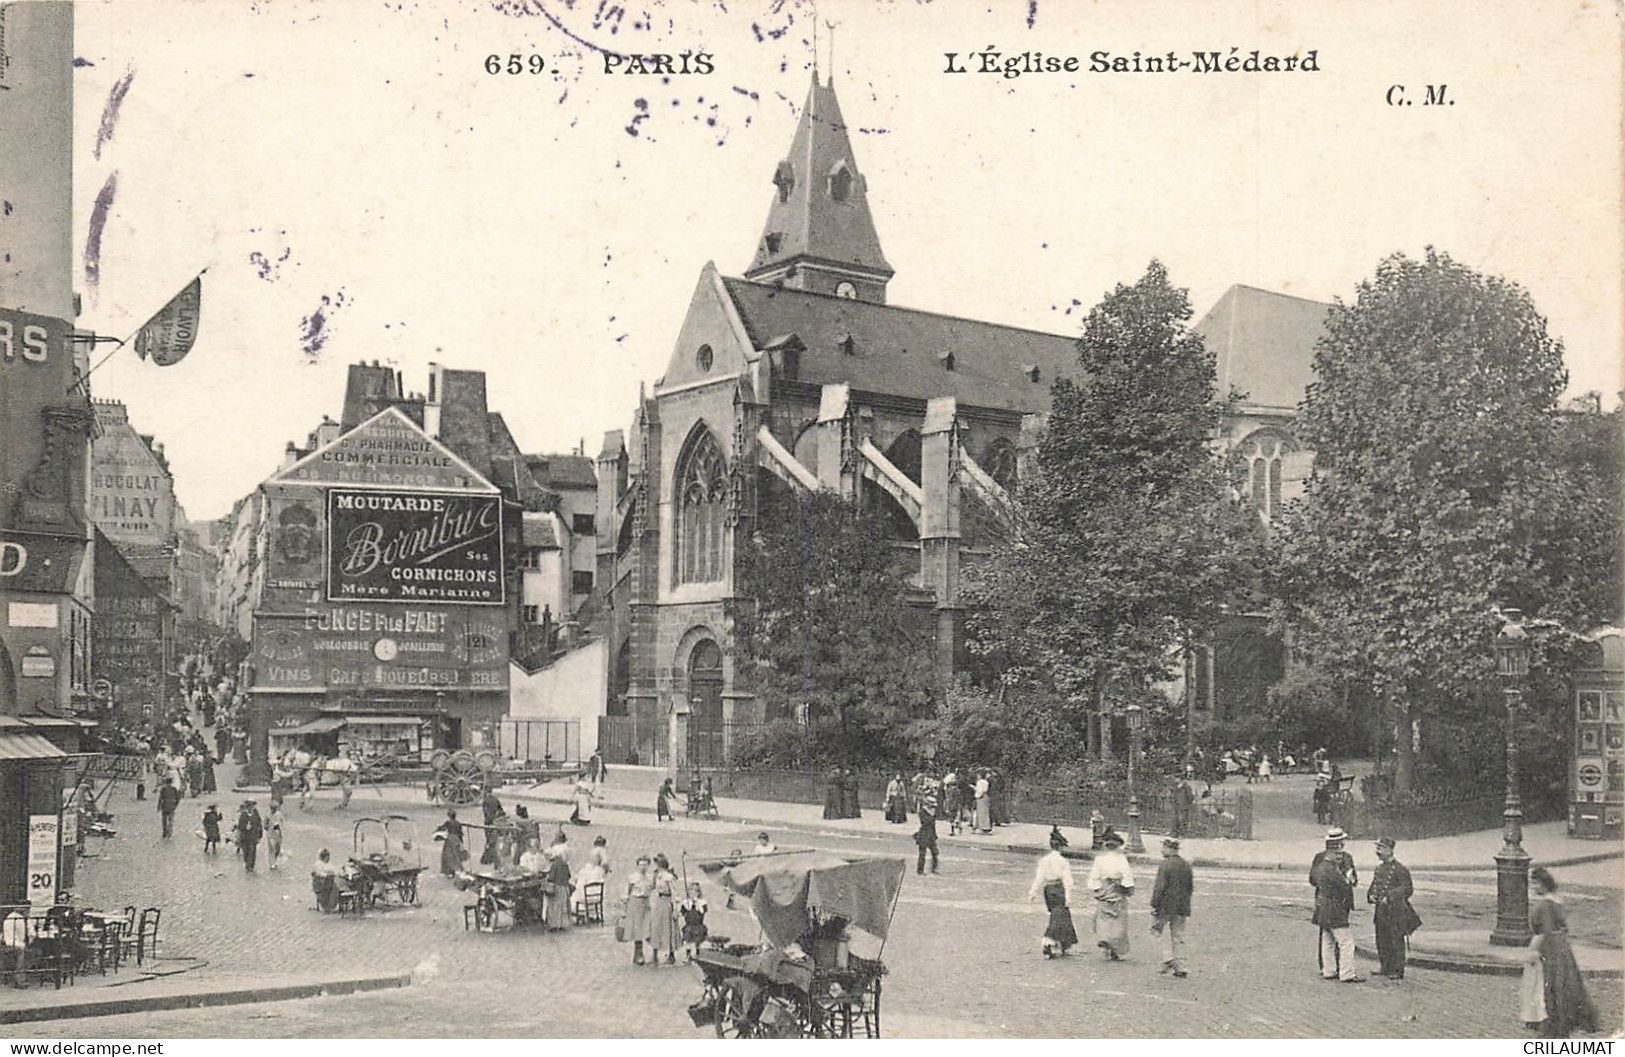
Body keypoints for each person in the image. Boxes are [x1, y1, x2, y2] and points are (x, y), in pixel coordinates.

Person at [1522, 867, 1598, 1037]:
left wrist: (1532, 951)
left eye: (1535, 883)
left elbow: (1543, 932)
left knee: (1549, 985)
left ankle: (1553, 1023)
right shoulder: (1556, 901)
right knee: (1564, 983)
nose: (1533, 887)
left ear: (1543, 884)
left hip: (1550, 948)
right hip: (1562, 947)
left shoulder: (1544, 905)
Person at [1310, 826, 1362, 982]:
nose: (1340, 851)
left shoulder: (1344, 858)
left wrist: (1351, 879)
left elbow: (1353, 879)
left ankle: (1329, 970)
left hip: (1329, 905)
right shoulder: (1325, 863)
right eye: (1338, 846)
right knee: (1345, 941)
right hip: (1334, 905)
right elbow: (1341, 884)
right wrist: (1344, 880)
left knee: (1328, 938)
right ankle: (1346, 973)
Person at [1367, 837, 1419, 980]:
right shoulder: (1379, 869)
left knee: (1395, 940)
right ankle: (1385, 966)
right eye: (1377, 848)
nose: (1378, 852)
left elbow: (1408, 889)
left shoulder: (1400, 869)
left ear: (1390, 851)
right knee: (1382, 939)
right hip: (1381, 911)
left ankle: (1397, 969)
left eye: (1381, 849)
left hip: (1395, 912)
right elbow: (1374, 886)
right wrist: (1370, 895)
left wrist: (1389, 897)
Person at [1028, 825, 1078, 958]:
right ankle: (1049, 941)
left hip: (1048, 889)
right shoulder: (1063, 861)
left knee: (1058, 914)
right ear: (1061, 846)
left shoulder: (1045, 861)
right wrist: (1068, 896)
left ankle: (1063, 942)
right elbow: (1068, 880)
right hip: (1059, 888)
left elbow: (1039, 877)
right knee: (1059, 915)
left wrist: (1033, 892)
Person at [1150, 837, 1194, 978]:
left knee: (1156, 931)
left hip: (1165, 907)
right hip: (1182, 906)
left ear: (1169, 848)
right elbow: (1190, 888)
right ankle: (1181, 967)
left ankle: (1167, 958)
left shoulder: (1165, 865)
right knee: (1178, 936)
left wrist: (1155, 904)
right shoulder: (1186, 865)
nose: (1162, 850)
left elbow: (1159, 888)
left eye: (1163, 847)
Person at [1088, 828, 1135, 960]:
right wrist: (1127, 888)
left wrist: (1098, 889)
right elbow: (1127, 876)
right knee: (1118, 920)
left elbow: (1094, 877)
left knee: (1104, 919)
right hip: (1117, 891)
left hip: (1105, 890)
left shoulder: (1099, 860)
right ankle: (1114, 947)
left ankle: (1105, 944)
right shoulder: (1122, 860)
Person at [622, 854, 654, 965]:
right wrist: (625, 903)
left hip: (646, 903)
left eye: (645, 864)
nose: (643, 867)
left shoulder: (651, 877)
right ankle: (638, 954)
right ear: (637, 865)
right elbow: (627, 891)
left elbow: (654, 889)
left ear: (648, 865)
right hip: (635, 902)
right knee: (637, 930)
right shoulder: (633, 877)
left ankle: (653, 953)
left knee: (648, 928)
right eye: (641, 864)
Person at [649, 853, 679, 965]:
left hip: (667, 902)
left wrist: (675, 909)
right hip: (659, 902)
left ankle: (671, 955)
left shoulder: (669, 877)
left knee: (668, 928)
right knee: (656, 927)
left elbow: (674, 893)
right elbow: (652, 887)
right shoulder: (658, 876)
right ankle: (655, 954)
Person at [575, 834, 611, 914]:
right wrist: (607, 870)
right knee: (598, 889)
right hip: (597, 870)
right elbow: (605, 863)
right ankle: (595, 911)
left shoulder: (592, 850)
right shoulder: (602, 851)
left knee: (584, 886)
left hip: (588, 869)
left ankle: (584, 910)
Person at [544, 846, 573, 932]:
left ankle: (554, 925)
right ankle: (563, 925)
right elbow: (569, 875)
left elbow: (551, 878)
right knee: (563, 907)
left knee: (554, 907)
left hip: (557, 888)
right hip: (565, 888)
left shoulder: (554, 865)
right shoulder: (565, 864)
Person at [679, 882, 709, 962]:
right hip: (689, 925)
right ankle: (688, 955)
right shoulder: (686, 902)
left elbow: (703, 912)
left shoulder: (702, 902)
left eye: (695, 891)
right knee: (688, 940)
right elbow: (682, 913)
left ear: (698, 892)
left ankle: (698, 954)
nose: (692, 893)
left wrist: (697, 903)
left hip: (698, 924)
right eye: (690, 891)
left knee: (698, 941)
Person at [436, 808, 467, 876]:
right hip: (457, 839)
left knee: (447, 855)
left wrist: (437, 829)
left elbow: (442, 828)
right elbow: (460, 833)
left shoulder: (448, 822)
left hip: (450, 839)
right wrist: (461, 843)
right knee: (456, 854)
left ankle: (448, 870)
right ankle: (458, 868)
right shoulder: (458, 823)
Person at [914, 797, 940, 875]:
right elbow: (924, 822)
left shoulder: (932, 812)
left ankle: (934, 869)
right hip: (924, 834)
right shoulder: (923, 812)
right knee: (922, 854)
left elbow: (933, 826)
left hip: (931, 835)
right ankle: (920, 870)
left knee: (935, 852)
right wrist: (932, 816)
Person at [236, 800, 264, 873]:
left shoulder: (256, 815)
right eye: (249, 806)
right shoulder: (243, 815)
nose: (251, 808)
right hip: (245, 837)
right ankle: (247, 863)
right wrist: (245, 827)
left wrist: (259, 836)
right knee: (246, 851)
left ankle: (250, 866)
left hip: (253, 836)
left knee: (252, 851)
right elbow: (239, 826)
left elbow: (259, 825)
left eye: (252, 806)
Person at [311, 848, 339, 913]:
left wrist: (333, 873)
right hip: (320, 883)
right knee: (330, 885)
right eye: (327, 857)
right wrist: (327, 875)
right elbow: (319, 873)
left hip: (329, 881)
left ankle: (332, 903)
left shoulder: (329, 864)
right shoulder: (318, 864)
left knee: (336, 886)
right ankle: (327, 905)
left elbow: (333, 870)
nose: (328, 859)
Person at [942, 771, 963, 836]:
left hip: (952, 805)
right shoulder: (958, 790)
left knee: (952, 818)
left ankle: (953, 830)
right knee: (955, 817)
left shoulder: (950, 790)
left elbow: (948, 799)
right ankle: (958, 827)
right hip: (956, 805)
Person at [265, 801, 285, 869]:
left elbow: (282, 822)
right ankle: (271, 863)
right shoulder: (268, 815)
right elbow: (265, 825)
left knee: (277, 849)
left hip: (278, 834)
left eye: (275, 808)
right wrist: (270, 827)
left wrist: (280, 829)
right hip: (271, 834)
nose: (273, 809)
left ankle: (275, 860)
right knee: (271, 849)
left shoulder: (279, 814)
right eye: (272, 808)